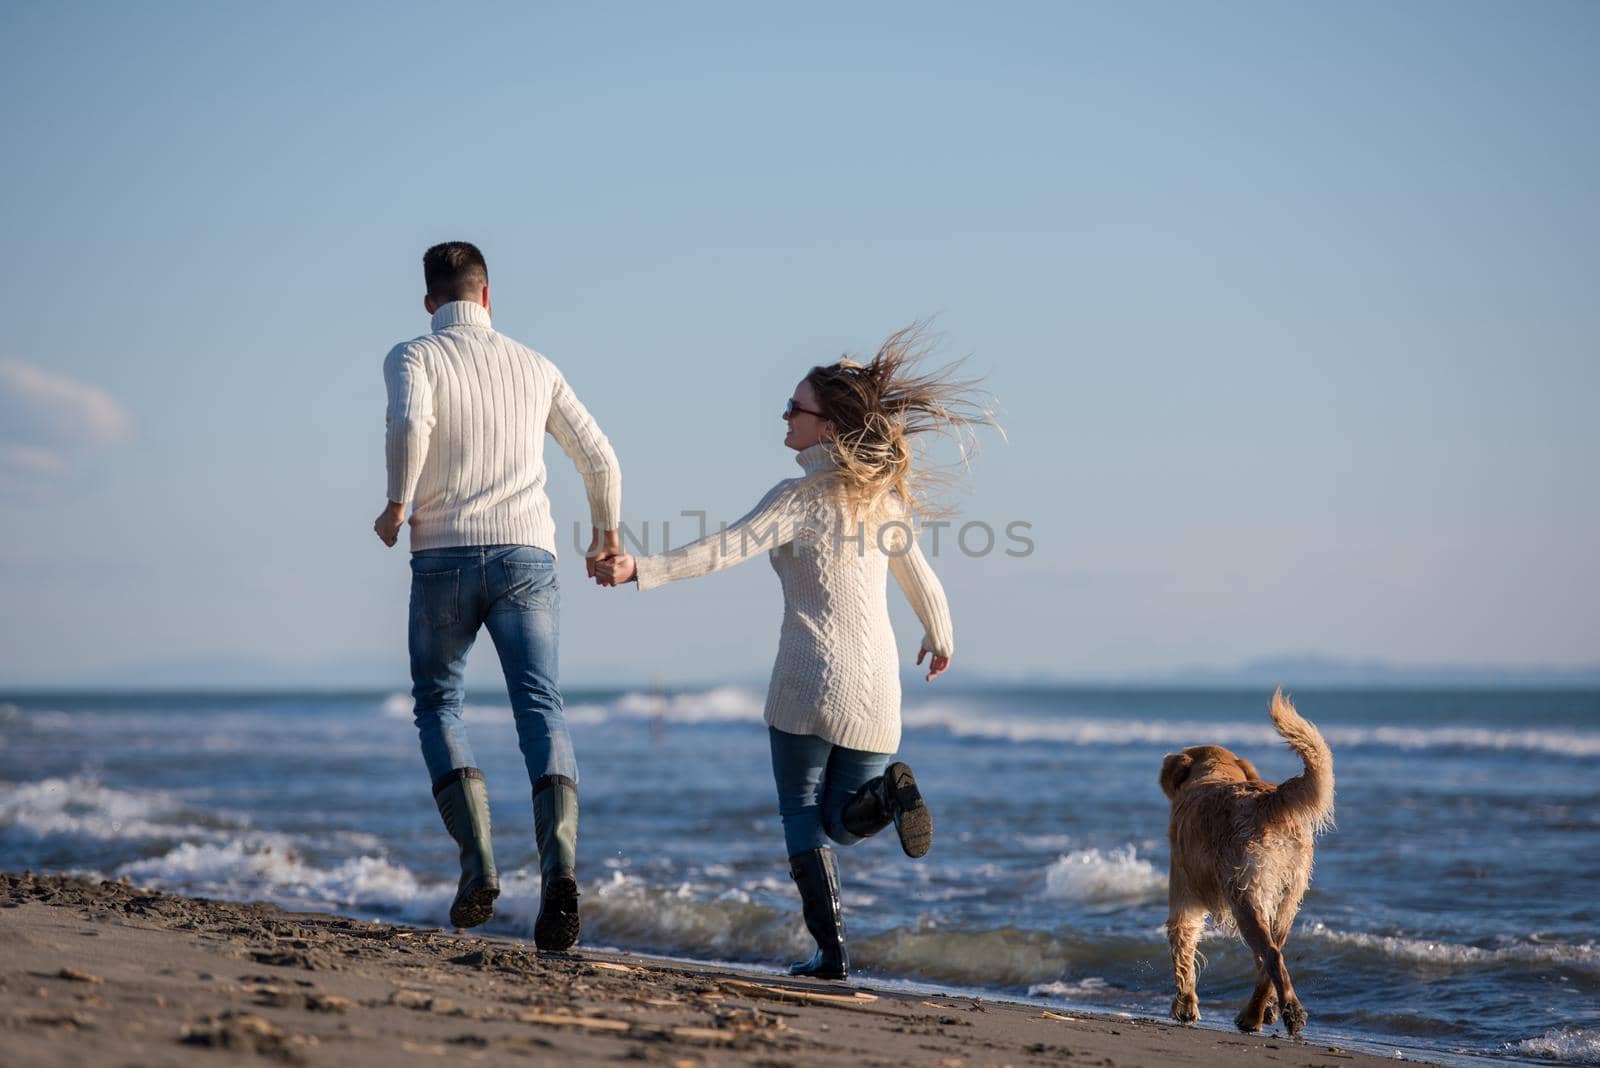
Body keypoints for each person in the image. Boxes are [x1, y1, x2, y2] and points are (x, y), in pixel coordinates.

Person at [594, 327, 989, 980]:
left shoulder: (796, 498)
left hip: (807, 681)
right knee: (843, 819)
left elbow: (720, 549)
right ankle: (890, 800)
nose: (784, 417)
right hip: (877, 691)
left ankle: (832, 956)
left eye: (795, 409)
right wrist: (940, 637)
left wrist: (641, 567)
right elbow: (922, 579)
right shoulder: (881, 501)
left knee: (805, 816)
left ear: (827, 425)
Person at [374, 241, 622, 951]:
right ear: (487, 295)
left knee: (439, 703)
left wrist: (398, 504)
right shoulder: (536, 365)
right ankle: (562, 874)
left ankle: (479, 863)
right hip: (526, 556)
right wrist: (605, 534)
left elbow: (409, 423)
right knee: (541, 708)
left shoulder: (414, 356)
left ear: (431, 303)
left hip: (443, 556)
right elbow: (600, 456)